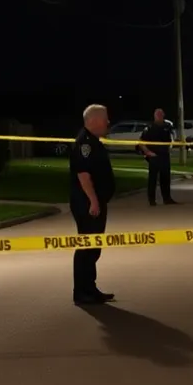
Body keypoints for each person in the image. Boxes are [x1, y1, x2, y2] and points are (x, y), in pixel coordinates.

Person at [69, 103, 117, 305]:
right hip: (87, 204)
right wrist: (94, 201)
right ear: (95, 120)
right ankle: (81, 292)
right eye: (105, 118)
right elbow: (83, 175)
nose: (108, 122)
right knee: (86, 247)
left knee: (94, 247)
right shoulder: (85, 144)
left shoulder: (94, 141)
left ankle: (90, 287)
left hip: (93, 203)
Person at [137, 108, 178, 206]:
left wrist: (171, 147)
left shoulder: (168, 126)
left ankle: (167, 199)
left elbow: (172, 138)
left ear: (163, 115)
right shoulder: (149, 127)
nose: (159, 116)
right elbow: (141, 142)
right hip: (154, 156)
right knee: (153, 179)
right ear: (154, 116)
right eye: (157, 114)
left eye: (161, 114)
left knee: (166, 178)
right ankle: (152, 200)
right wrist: (148, 152)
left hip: (165, 155)